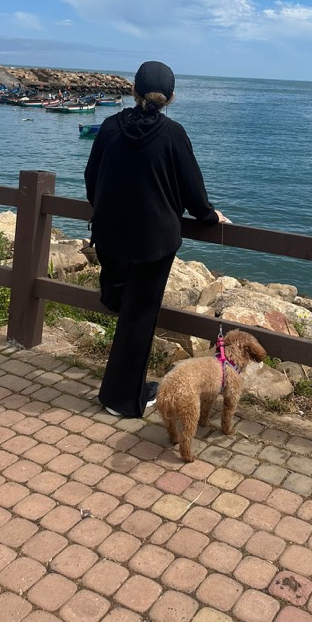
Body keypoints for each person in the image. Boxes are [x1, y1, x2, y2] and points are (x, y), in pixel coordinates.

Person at [84, 60, 229, 418]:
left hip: (110, 236)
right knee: (139, 318)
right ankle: (122, 399)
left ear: (133, 91)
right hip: (154, 242)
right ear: (171, 97)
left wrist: (105, 210)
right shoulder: (172, 134)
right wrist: (211, 217)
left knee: (121, 307)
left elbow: (92, 178)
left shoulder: (109, 127)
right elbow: (194, 193)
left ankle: (123, 388)